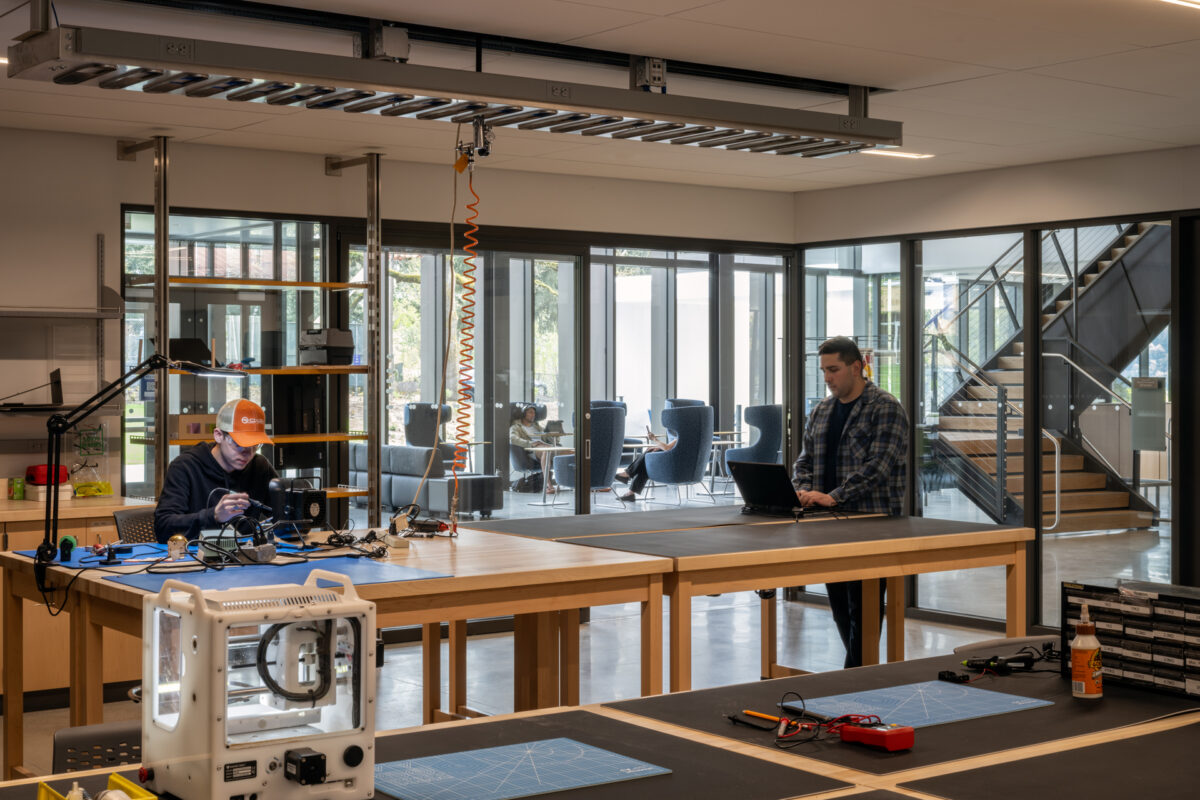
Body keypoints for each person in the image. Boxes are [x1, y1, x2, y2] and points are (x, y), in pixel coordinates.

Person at [792, 336, 908, 668]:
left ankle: (856, 678)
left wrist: (834, 496)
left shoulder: (885, 408)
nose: (827, 378)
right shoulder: (821, 411)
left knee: (865, 609)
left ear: (856, 367)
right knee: (841, 610)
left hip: (872, 527)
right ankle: (859, 675)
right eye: (824, 371)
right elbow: (804, 462)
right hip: (827, 528)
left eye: (834, 370)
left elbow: (878, 467)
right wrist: (802, 490)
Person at [154, 397, 277, 543]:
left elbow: (284, 515)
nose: (248, 453)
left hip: (248, 553)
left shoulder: (259, 466)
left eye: (254, 445)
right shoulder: (185, 467)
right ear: (218, 435)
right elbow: (163, 527)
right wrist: (213, 515)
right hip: (195, 553)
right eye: (239, 444)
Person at [615, 429, 677, 502]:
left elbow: (667, 448)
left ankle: (628, 474)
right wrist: (659, 447)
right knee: (645, 464)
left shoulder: (683, 434)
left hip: (671, 465)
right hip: (670, 461)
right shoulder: (681, 433)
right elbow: (673, 447)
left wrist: (654, 439)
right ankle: (630, 493)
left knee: (648, 455)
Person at [509, 404, 558, 492]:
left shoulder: (537, 426)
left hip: (545, 446)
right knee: (546, 451)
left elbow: (550, 438)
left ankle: (576, 483)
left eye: (534, 413)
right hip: (532, 450)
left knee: (570, 452)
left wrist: (553, 433)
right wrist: (530, 443)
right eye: (530, 412)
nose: (533, 415)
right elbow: (513, 439)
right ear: (524, 414)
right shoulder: (516, 427)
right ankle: (549, 486)